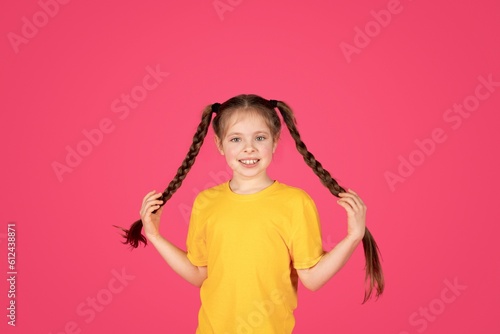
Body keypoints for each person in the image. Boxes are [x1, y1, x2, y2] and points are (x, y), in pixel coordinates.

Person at [117, 94, 384, 333]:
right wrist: (155, 236)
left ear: (275, 141)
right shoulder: (206, 202)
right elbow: (199, 274)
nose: (249, 148)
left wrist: (352, 237)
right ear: (220, 145)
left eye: (260, 137)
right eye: (236, 139)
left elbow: (312, 279)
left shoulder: (295, 202)